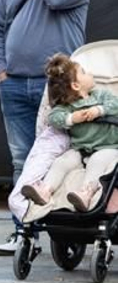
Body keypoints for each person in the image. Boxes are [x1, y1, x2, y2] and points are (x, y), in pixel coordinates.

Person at [0, 0, 89, 255]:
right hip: (14, 82)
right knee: (21, 160)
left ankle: (65, 234)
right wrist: (0, 68)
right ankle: (23, 233)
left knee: (64, 157)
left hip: (58, 86)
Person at [22, 54, 118, 213]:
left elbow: (115, 103)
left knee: (97, 161)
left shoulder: (101, 96)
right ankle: (45, 190)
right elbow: (53, 118)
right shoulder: (67, 106)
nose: (91, 74)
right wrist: (72, 118)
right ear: (75, 85)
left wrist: (99, 110)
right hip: (80, 148)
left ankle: (86, 193)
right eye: (84, 72)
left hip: (107, 147)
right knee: (62, 162)